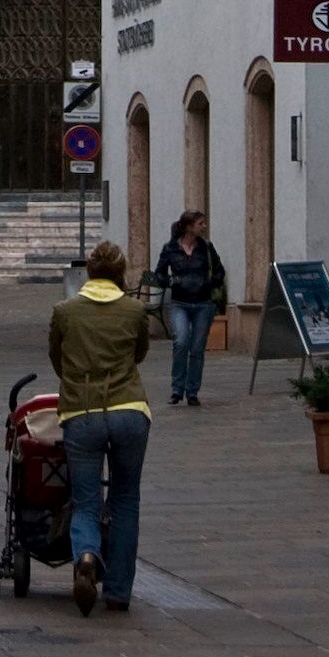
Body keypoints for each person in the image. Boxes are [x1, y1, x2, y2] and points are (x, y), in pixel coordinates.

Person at [48, 238, 157, 616]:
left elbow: (57, 359)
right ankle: (119, 592)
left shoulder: (65, 311)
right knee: (126, 498)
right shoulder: (135, 311)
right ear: (120, 273)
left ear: (90, 272)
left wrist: (79, 380)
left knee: (86, 500)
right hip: (129, 410)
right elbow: (139, 354)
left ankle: (88, 555)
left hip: (83, 412)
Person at [156, 210, 226, 406]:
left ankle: (192, 391)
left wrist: (209, 283)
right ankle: (177, 389)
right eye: (201, 223)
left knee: (197, 348)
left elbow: (220, 271)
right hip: (180, 303)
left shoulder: (206, 248)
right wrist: (171, 281)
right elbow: (159, 274)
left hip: (203, 304)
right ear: (189, 227)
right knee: (181, 342)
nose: (204, 227)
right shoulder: (170, 249)